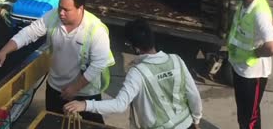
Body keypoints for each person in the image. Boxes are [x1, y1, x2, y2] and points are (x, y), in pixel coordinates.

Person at [0, 0, 115, 124]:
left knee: (91, 126)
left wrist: (75, 88)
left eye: (66, 10)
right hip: (55, 88)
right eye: (60, 7)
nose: (61, 13)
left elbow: (98, 65)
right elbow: (29, 33)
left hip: (84, 94)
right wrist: (5, 50)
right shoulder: (53, 16)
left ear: (80, 9)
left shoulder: (96, 31)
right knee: (54, 122)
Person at [64, 19, 202, 129]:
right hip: (187, 124)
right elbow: (193, 95)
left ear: (134, 47)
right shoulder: (176, 60)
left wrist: (85, 105)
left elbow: (119, 105)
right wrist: (196, 120)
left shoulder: (137, 73)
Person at [228, 0, 273, 129]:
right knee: (243, 114)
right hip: (240, 67)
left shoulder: (259, 13)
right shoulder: (247, 1)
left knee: (250, 118)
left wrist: (255, 53)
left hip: (252, 74)